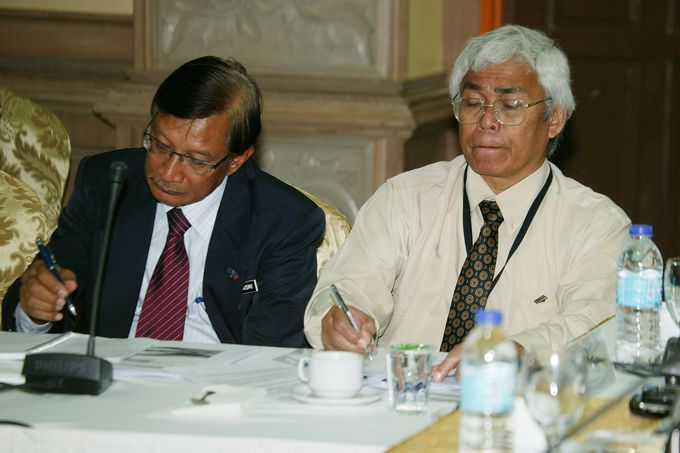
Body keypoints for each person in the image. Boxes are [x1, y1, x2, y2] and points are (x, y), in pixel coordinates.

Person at [303, 25, 630, 378]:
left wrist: (517, 351)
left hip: (520, 399)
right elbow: (347, 287)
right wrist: (340, 320)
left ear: (554, 119)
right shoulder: (406, 197)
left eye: (510, 106)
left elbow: (595, 327)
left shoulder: (596, 225)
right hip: (403, 394)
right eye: (473, 104)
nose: (487, 121)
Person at [2, 56, 325, 348]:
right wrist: (35, 310)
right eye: (159, 145)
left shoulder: (284, 221)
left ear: (237, 160)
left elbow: (271, 352)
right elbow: (54, 285)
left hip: (217, 384)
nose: (168, 173)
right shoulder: (107, 183)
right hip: (110, 376)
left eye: (196, 160)